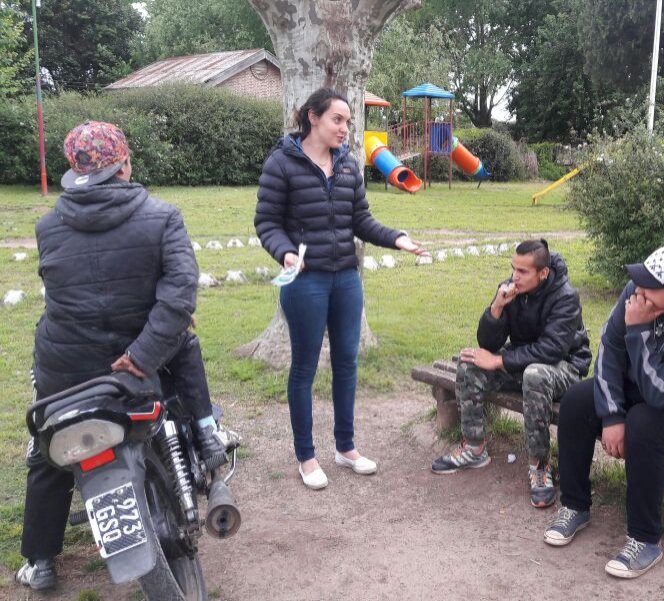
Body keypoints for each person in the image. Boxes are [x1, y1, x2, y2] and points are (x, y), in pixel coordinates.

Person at [18, 120, 224, 590]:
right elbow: (178, 295)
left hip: (67, 372)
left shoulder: (48, 226)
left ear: (75, 172)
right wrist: (143, 354)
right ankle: (206, 431)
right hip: (132, 365)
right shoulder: (162, 215)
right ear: (124, 164)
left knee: (49, 453)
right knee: (183, 337)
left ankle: (40, 560)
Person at [254, 87, 425, 490]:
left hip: (346, 279)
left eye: (348, 121)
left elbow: (360, 220)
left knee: (347, 363)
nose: (345, 128)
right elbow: (266, 222)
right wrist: (285, 253)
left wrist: (396, 238)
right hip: (305, 283)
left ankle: (345, 448)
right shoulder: (282, 163)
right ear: (313, 118)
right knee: (305, 368)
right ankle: (307, 457)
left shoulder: (348, 164)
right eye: (338, 119)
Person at [543, 246, 664, 579]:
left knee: (644, 422)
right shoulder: (637, 293)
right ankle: (574, 505)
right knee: (577, 400)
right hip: (643, 391)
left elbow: (663, 393)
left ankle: (645, 539)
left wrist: (639, 330)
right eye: (640, 281)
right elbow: (609, 351)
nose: (638, 289)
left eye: (649, 285)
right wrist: (612, 416)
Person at [430, 239, 591, 508]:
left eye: (523, 271)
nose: (515, 276)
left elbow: (552, 350)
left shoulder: (565, 297)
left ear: (543, 273)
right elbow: (487, 343)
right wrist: (497, 308)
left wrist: (500, 361)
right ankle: (474, 448)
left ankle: (539, 465)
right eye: (513, 268)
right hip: (525, 362)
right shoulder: (511, 289)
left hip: (564, 366)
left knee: (535, 375)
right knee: (470, 364)